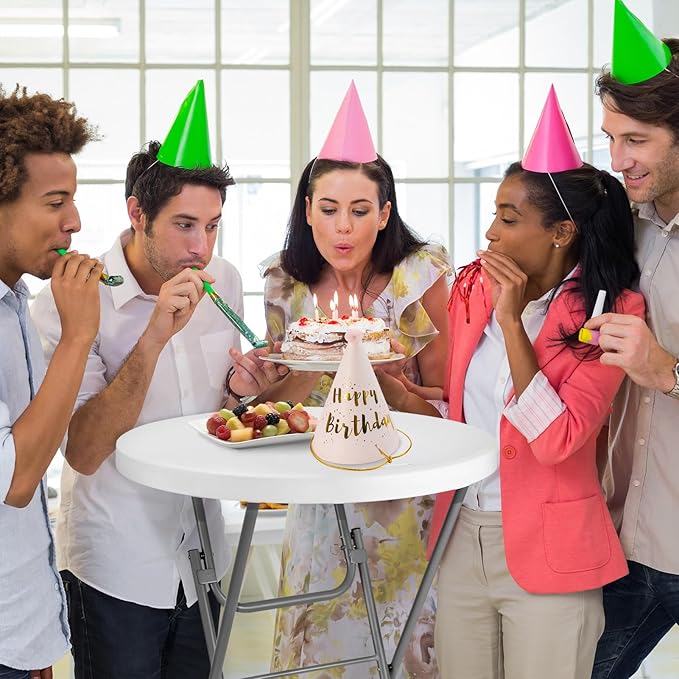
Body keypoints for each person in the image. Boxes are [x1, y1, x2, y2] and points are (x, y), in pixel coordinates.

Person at [377, 103, 645, 676]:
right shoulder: (472, 288)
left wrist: (512, 322)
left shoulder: (613, 311)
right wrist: (403, 396)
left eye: (508, 217)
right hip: (459, 535)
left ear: (561, 233)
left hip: (552, 554)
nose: (490, 232)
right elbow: (469, 414)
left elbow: (557, 440)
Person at [31, 83, 281, 678]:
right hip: (115, 567)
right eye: (185, 225)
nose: (202, 248)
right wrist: (154, 337)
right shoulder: (71, 300)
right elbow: (83, 451)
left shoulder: (225, 279)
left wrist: (242, 393)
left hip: (203, 559)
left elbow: (214, 415)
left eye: (213, 226)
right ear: (137, 214)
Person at [261, 83, 450, 678]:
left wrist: (390, 385)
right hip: (318, 502)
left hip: (404, 504)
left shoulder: (420, 277)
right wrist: (296, 373)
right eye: (328, 209)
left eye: (361, 210)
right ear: (307, 209)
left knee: (399, 654)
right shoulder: (283, 284)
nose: (343, 227)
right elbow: (275, 410)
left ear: (385, 213)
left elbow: (449, 409)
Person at [587, 23, 679, 679]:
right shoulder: (624, 225)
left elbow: (657, 370)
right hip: (624, 534)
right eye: (612, 139)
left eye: (636, 140)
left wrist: (666, 371)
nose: (618, 160)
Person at [0, 85, 101, 679]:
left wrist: (35, 637)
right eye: (55, 202)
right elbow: (16, 480)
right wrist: (78, 336)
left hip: (21, 631)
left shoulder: (17, 301)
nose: (75, 222)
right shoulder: (55, 321)